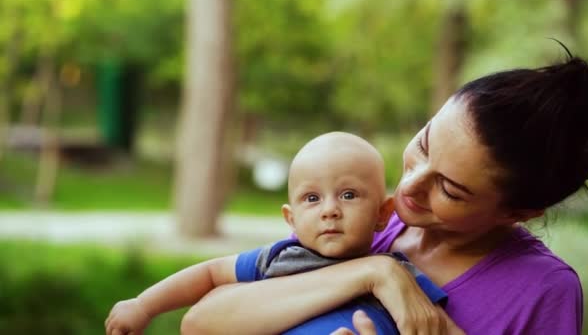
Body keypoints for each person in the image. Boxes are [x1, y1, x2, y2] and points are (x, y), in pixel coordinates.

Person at [180, 53, 588, 334]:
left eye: (450, 190)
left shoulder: (543, 292)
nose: (409, 187)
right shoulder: (370, 221)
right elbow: (199, 323)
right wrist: (376, 274)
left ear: (519, 212)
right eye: (422, 146)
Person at [105, 132, 449, 335]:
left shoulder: (402, 276)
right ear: (292, 218)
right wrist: (144, 305)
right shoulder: (281, 258)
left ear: (382, 214)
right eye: (311, 198)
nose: (330, 209)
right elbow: (210, 273)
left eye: (348, 195)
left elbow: (441, 327)